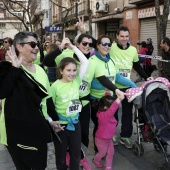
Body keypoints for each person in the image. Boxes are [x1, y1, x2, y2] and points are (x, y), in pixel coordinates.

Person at [0, 31, 63, 170]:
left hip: (37, 130)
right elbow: (2, 92)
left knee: (40, 166)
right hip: (14, 132)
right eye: (32, 44)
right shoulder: (7, 69)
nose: (36, 48)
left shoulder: (40, 71)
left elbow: (46, 101)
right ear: (19, 47)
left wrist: (51, 121)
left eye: (37, 44)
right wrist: (15, 69)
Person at [43, 34, 95, 170]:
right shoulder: (55, 86)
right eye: (68, 70)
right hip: (60, 127)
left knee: (75, 155)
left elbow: (85, 62)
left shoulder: (77, 80)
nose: (72, 73)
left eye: (74, 70)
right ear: (61, 70)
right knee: (60, 158)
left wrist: (72, 46)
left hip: (75, 124)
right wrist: (51, 122)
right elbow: (47, 107)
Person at [89, 35, 136, 152]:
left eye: (109, 44)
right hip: (97, 101)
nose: (107, 46)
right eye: (104, 44)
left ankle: (106, 145)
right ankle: (98, 150)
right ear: (98, 45)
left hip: (110, 100)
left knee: (110, 124)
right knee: (99, 126)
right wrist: (102, 85)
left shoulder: (111, 60)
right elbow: (87, 83)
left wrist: (132, 85)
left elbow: (117, 77)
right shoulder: (92, 61)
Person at [109, 26, 153, 148]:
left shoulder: (133, 50)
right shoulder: (110, 48)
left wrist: (146, 77)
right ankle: (111, 134)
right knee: (113, 112)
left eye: (126, 36)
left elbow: (136, 65)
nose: (124, 39)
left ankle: (125, 136)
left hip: (128, 86)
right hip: (112, 86)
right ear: (117, 36)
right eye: (122, 36)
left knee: (127, 113)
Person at [92, 94, 124, 170]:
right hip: (101, 140)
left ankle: (108, 167)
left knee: (111, 153)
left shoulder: (104, 112)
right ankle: (95, 160)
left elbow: (110, 106)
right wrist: (118, 99)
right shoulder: (105, 115)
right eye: (111, 106)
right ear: (106, 107)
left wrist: (108, 94)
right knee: (102, 153)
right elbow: (113, 108)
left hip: (108, 139)